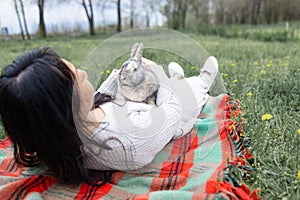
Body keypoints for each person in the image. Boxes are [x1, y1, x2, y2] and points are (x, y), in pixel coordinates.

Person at [0, 47, 218, 185]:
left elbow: (100, 96)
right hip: (168, 117)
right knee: (186, 93)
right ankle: (203, 81)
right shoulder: (128, 140)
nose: (84, 73)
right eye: (77, 76)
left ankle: (175, 79)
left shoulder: (65, 133)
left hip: (134, 105)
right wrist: (160, 77)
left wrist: (121, 75)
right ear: (67, 109)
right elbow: (171, 112)